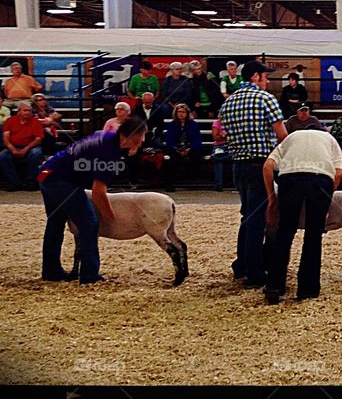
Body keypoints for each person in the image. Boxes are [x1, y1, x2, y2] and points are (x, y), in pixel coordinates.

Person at [38, 117, 146, 284]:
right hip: (60, 180)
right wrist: (109, 215)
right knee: (89, 223)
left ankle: (51, 271)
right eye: (141, 136)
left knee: (56, 222)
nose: (143, 140)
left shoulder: (107, 137)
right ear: (130, 136)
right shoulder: (109, 152)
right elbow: (98, 192)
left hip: (46, 174)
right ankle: (89, 275)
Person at [219, 60, 288, 288]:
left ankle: (241, 265)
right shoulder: (265, 98)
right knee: (258, 219)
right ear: (256, 76)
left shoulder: (228, 103)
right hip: (261, 165)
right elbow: (282, 135)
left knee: (247, 216)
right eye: (265, 76)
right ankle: (255, 272)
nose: (266, 80)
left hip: (238, 165)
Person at [262, 126, 342, 304]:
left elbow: (268, 166)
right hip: (320, 179)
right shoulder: (330, 139)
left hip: (290, 179)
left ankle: (274, 286)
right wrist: (327, 198)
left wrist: (272, 200)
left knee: (284, 233)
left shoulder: (292, 136)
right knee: (313, 235)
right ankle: (308, 289)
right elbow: (338, 172)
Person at [0, 102, 44, 191]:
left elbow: (38, 139)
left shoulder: (35, 122)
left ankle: (30, 183)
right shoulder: (10, 121)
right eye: (25, 110)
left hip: (31, 147)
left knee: (36, 153)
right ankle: (14, 182)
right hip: (13, 146)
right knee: (3, 155)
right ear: (19, 111)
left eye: (29, 111)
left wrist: (25, 149)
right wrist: (13, 150)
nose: (27, 112)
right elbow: (6, 138)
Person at [163, 103, 203, 192]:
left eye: (183, 112)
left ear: (187, 113)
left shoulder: (193, 124)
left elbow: (197, 139)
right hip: (176, 147)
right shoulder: (172, 124)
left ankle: (194, 178)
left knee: (196, 153)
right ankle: (170, 184)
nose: (181, 114)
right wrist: (176, 148)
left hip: (190, 147)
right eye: (179, 112)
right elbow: (169, 139)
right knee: (172, 160)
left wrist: (189, 148)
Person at [211, 111, 232, 192]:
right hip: (219, 146)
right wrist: (225, 135)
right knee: (218, 160)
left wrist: (224, 136)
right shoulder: (216, 123)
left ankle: (234, 183)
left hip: (231, 146)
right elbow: (215, 137)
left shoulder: (232, 123)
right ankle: (218, 185)